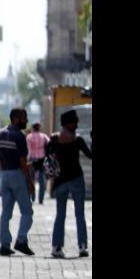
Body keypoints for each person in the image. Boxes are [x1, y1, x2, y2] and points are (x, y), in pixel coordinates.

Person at [48, 109, 92, 258]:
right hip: (76, 179)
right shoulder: (77, 139)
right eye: (75, 121)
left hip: (60, 181)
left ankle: (56, 247)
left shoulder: (54, 139)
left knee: (60, 215)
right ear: (69, 123)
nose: (77, 124)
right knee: (80, 214)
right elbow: (90, 155)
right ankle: (82, 246)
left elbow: (47, 157)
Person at [0, 108, 35, 257]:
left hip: (4, 175)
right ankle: (21, 240)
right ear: (16, 118)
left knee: (6, 212)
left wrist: (4, 171)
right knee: (27, 211)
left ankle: (5, 245)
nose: (27, 121)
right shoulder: (19, 135)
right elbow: (22, 162)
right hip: (17, 175)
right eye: (25, 118)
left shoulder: (0, 134)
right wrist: (30, 181)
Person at [26, 122, 51, 204]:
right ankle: (41, 199)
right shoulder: (43, 136)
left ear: (33, 128)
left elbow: (27, 148)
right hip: (42, 159)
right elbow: (49, 144)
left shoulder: (29, 136)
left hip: (32, 159)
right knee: (41, 180)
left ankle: (32, 197)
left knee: (31, 179)